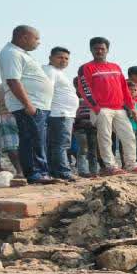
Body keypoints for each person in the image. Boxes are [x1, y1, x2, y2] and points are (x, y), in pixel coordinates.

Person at [0, 25, 56, 184]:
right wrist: (28, 105)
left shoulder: (21, 54)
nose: (38, 42)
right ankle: (35, 174)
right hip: (29, 106)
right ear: (23, 37)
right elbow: (12, 80)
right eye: (36, 38)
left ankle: (42, 172)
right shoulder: (11, 53)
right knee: (31, 140)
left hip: (38, 105)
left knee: (38, 140)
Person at [78, 37, 137, 175]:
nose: (99, 51)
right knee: (105, 137)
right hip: (101, 109)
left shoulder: (115, 67)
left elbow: (124, 88)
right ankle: (110, 166)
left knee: (128, 135)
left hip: (119, 108)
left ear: (107, 50)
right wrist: (96, 108)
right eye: (96, 49)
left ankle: (131, 164)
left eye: (102, 49)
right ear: (91, 50)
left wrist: (131, 106)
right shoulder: (86, 68)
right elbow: (85, 89)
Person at [43, 47, 79, 182]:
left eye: (66, 58)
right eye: (60, 57)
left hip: (63, 113)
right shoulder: (50, 71)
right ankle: (63, 172)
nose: (63, 60)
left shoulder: (58, 72)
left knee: (57, 144)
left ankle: (55, 172)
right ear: (50, 58)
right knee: (61, 144)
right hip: (59, 113)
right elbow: (47, 90)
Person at [0, 83, 24, 176]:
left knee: (11, 146)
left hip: (5, 116)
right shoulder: (22, 82)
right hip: (22, 114)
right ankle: (29, 169)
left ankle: (19, 171)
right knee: (27, 144)